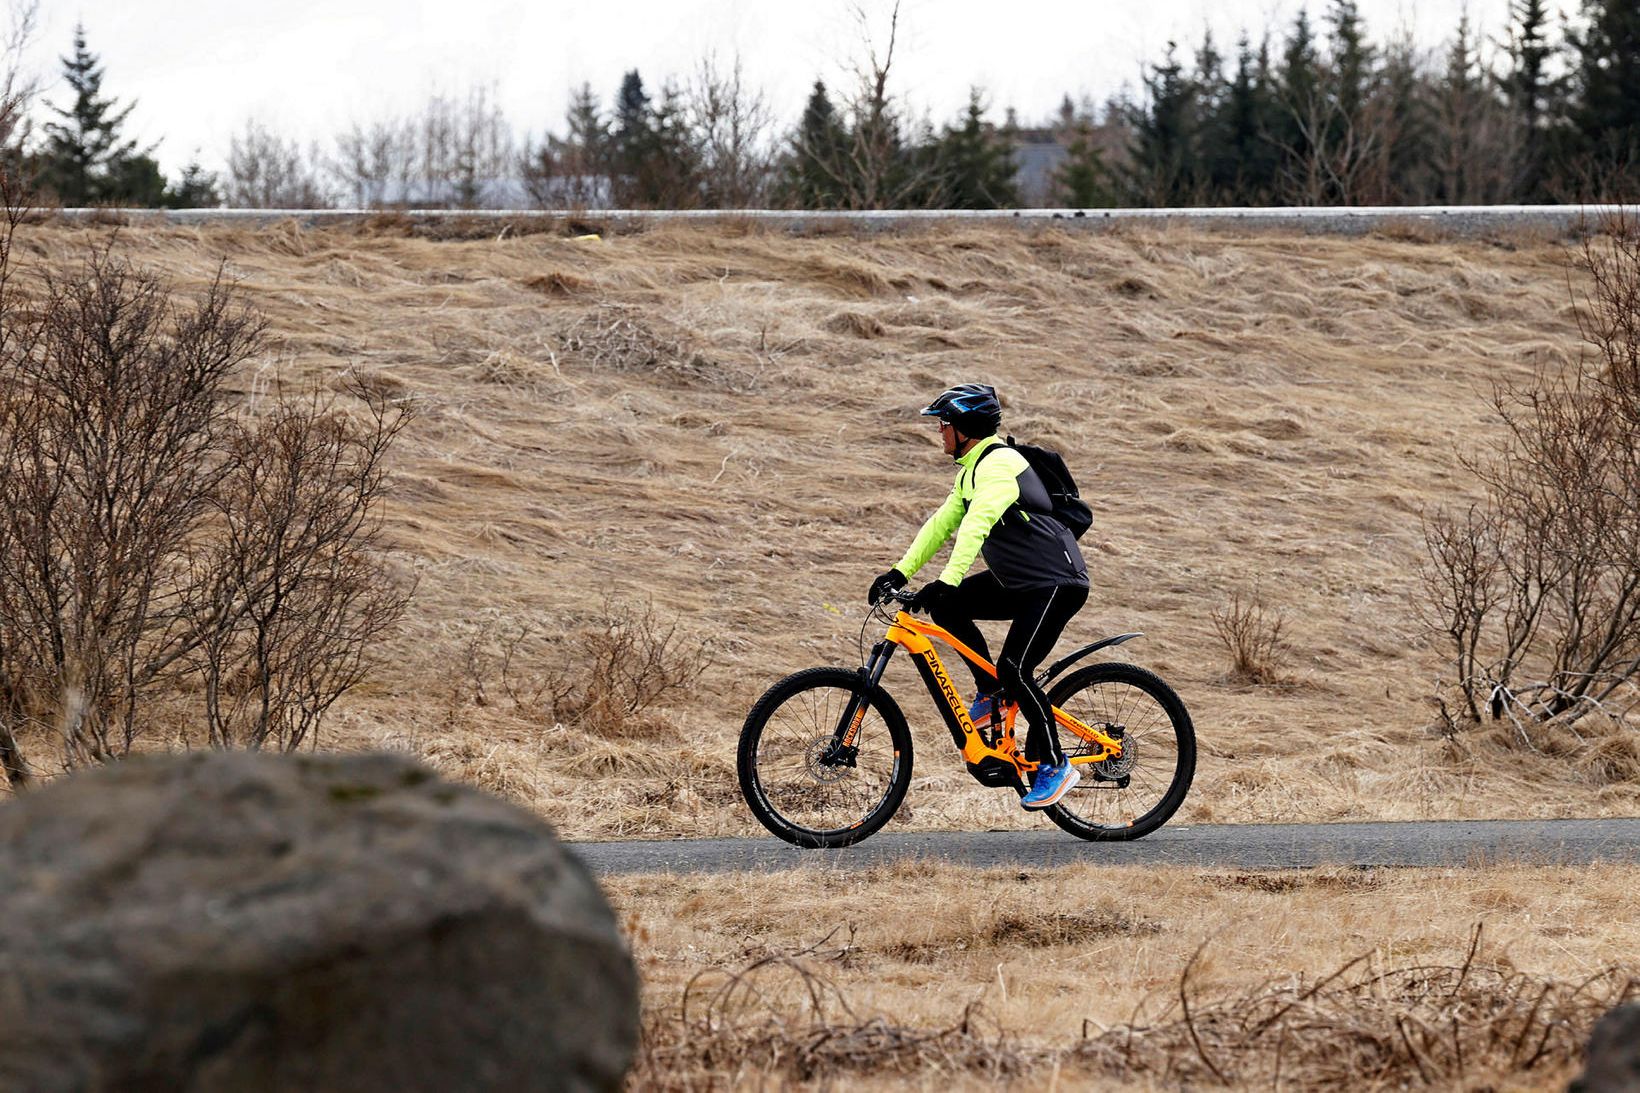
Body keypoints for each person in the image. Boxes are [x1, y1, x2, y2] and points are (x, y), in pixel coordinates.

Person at [867, 383, 1090, 809]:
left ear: (966, 428)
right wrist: (898, 571)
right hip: (1019, 582)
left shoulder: (1001, 463)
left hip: (1054, 583)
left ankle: (1055, 764)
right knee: (946, 605)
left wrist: (949, 577)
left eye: (944, 424)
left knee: (1017, 669)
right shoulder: (969, 470)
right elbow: (940, 525)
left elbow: (978, 523)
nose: (940, 432)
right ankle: (990, 691)